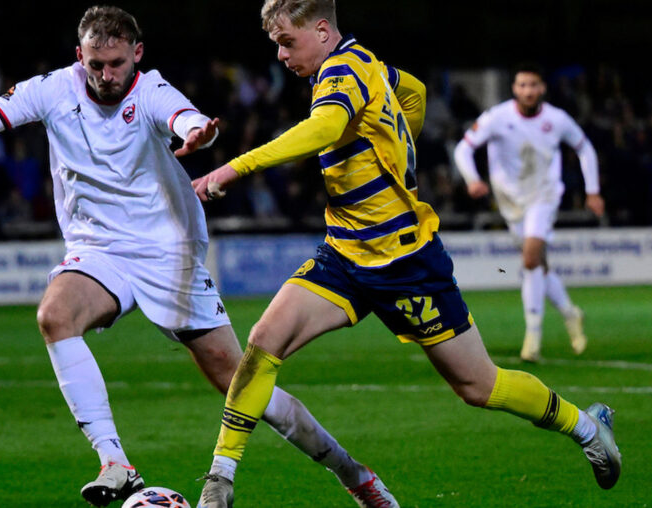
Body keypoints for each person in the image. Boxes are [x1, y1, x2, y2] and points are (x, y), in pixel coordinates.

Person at [0, 6, 376, 507]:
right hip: (98, 249)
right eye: (96, 65)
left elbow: (183, 115)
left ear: (137, 55)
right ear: (79, 56)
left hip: (169, 252)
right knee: (55, 316)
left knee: (239, 383)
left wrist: (196, 132)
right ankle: (115, 462)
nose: (106, 76)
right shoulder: (53, 89)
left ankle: (352, 473)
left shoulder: (151, 91)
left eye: (117, 64)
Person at [190, 2, 621, 506]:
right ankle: (220, 480)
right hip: (346, 255)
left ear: (323, 31)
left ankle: (588, 429)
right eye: (277, 46)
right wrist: (399, 143)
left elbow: (324, 129)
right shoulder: (364, 63)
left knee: (479, 386)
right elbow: (411, 90)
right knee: (264, 341)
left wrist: (232, 169)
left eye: (288, 42)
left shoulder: (342, 70)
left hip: (406, 262)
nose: (282, 55)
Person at [452, 63, 604, 362]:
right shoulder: (497, 117)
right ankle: (571, 313)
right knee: (539, 266)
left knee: (530, 258)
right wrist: (472, 179)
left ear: (542, 88)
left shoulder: (557, 120)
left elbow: (585, 148)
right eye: (522, 85)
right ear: (514, 89)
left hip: (544, 197)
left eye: (533, 85)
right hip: (511, 203)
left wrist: (593, 190)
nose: (528, 91)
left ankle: (532, 337)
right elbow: (463, 149)